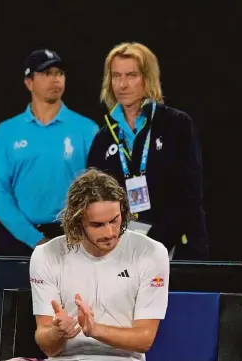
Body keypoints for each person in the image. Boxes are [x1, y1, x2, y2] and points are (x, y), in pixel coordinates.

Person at [30, 168, 170, 360]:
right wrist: (57, 332)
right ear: (77, 221)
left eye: (115, 220)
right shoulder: (46, 255)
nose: (110, 233)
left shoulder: (151, 253)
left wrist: (94, 329)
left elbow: (144, 340)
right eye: (97, 225)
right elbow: (49, 348)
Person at [87, 42, 208, 260]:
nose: (122, 84)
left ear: (147, 78)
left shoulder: (176, 125)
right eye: (116, 76)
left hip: (176, 247)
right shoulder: (104, 138)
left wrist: (155, 242)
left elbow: (189, 194)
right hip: (122, 251)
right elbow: (94, 199)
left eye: (131, 75)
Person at [0, 48, 99, 256]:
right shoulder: (6, 132)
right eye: (47, 73)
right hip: (20, 241)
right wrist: (34, 239)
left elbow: (97, 190)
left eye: (60, 73)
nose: (55, 79)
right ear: (29, 82)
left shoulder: (87, 130)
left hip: (75, 238)